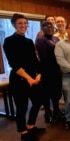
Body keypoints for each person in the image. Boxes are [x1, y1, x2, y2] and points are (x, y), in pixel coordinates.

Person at [3, 13, 45, 141]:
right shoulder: (9, 41)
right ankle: (23, 132)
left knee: (38, 101)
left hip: (33, 78)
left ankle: (31, 126)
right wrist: (29, 78)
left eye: (25, 23)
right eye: (20, 23)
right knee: (22, 107)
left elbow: (34, 61)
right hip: (19, 79)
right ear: (14, 25)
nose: (23, 25)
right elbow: (14, 64)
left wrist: (39, 74)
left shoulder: (29, 41)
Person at [35, 21, 63, 123]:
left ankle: (56, 111)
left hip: (57, 70)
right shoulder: (40, 40)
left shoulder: (56, 39)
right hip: (46, 71)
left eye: (52, 27)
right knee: (47, 93)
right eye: (47, 27)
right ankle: (48, 113)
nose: (50, 28)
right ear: (43, 28)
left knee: (56, 93)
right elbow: (43, 57)